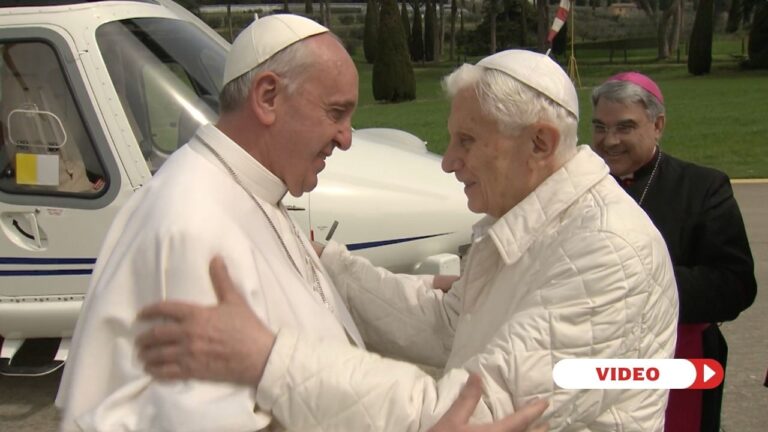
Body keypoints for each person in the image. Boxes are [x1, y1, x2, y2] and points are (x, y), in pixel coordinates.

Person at [137, 50, 679, 431]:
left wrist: (269, 360)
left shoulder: (609, 252)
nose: (448, 161)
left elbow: (467, 413)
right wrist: (328, 264)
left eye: (466, 140)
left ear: (539, 143)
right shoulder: (534, 222)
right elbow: (450, 329)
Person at [54, 14, 548, 432]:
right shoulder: (192, 226)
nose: (346, 139)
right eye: (336, 113)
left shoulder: (247, 189)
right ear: (268, 97)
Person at [589, 72, 757, 432]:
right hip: (590, 355)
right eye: (600, 128)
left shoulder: (702, 188)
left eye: (625, 127)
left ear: (658, 124)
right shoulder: (578, 186)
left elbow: (735, 285)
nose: (610, 141)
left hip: (677, 355)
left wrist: (634, 284)